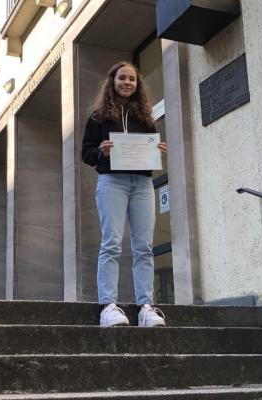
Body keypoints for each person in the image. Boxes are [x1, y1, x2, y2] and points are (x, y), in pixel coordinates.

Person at [81, 61, 167, 328]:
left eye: (132, 79)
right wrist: (101, 151)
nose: (127, 83)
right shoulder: (98, 117)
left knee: (144, 247)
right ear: (113, 81)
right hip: (112, 182)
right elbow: (86, 153)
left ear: (137, 84)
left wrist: (157, 151)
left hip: (141, 183)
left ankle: (146, 307)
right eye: (122, 78)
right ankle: (107, 305)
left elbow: (149, 151)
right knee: (112, 243)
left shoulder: (146, 118)